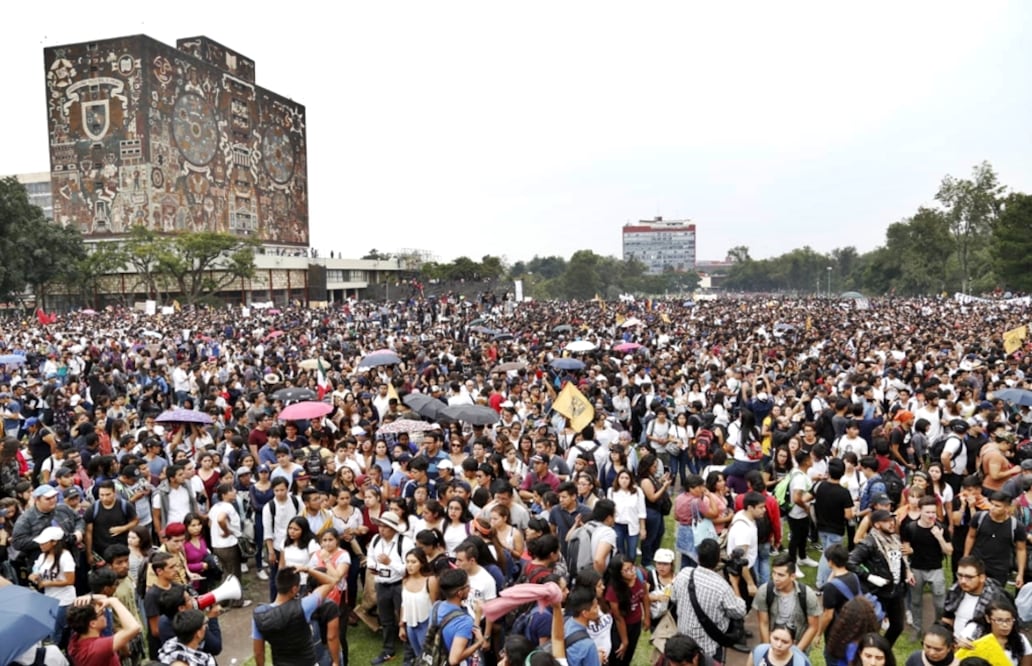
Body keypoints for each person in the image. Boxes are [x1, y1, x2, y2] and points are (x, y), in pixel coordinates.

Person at [671, 538, 747, 662]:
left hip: (683, 646)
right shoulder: (722, 587)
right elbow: (739, 611)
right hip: (708, 650)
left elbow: (673, 598)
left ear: (698, 557)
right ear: (718, 559)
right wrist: (735, 584)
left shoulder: (684, 574)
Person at [847, 509, 914, 646]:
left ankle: (883, 650)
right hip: (877, 593)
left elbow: (900, 559)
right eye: (886, 521)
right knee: (872, 628)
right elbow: (850, 562)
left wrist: (907, 571)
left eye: (892, 520)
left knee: (897, 626)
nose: (891, 524)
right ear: (877, 525)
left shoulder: (895, 539)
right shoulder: (869, 543)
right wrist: (869, 576)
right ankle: (868, 653)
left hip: (895, 591)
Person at [252, 565, 335, 666]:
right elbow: (331, 582)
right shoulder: (304, 606)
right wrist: (308, 570)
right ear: (294, 589)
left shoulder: (260, 615)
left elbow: (258, 653)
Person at [368, 511, 416, 664]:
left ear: (394, 529)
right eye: (380, 526)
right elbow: (370, 557)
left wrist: (390, 563)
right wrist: (373, 566)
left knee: (406, 618)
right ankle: (388, 650)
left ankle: (410, 652)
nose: (381, 529)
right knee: (386, 619)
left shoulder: (405, 542)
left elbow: (408, 569)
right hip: (381, 583)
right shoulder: (376, 539)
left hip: (400, 585)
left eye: (385, 527)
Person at [901, 495, 951, 637]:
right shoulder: (910, 528)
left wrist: (940, 538)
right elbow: (905, 550)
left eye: (933, 512)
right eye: (928, 512)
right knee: (916, 601)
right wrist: (908, 571)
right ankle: (917, 629)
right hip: (917, 568)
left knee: (940, 602)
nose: (931, 515)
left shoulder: (941, 528)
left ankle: (938, 627)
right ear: (920, 511)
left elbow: (949, 550)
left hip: (936, 568)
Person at [753, 553, 820, 653]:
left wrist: (796, 652)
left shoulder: (807, 595)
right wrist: (768, 650)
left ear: (792, 576)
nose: (775, 578)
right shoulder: (764, 591)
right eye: (774, 573)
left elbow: (813, 626)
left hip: (797, 645)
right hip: (772, 644)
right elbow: (764, 623)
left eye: (781, 575)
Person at [963, 490, 1026, 587]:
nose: (992, 508)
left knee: (994, 598)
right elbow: (971, 536)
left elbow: (1021, 549)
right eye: (991, 504)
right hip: (977, 564)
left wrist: (1020, 574)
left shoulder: (1016, 526)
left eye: (997, 506)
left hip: (999, 569)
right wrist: (966, 558)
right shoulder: (979, 517)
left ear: (1007, 508)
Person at [28, 526, 77, 649]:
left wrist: (48, 583)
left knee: (58, 632)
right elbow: (36, 570)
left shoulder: (66, 557)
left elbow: (70, 580)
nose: (41, 545)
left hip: (64, 600)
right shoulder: (42, 556)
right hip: (49, 598)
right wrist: (33, 576)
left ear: (54, 542)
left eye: (44, 542)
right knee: (50, 629)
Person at [66, 594, 142, 666]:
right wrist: (114, 601)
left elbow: (104, 598)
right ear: (93, 624)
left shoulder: (76, 639)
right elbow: (134, 627)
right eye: (102, 613)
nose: (105, 614)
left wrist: (91, 597)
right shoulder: (96, 648)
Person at [942, 556, 1007, 639]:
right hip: (956, 645)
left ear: (982, 578)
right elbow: (948, 619)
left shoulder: (997, 598)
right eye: (960, 575)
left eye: (969, 577)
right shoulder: (955, 592)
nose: (963, 581)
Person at [814, 458, 854, 588]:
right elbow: (849, 515)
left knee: (825, 553)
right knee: (829, 557)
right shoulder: (844, 493)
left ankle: (824, 581)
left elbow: (805, 498)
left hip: (821, 527)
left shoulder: (820, 486)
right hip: (836, 529)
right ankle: (822, 583)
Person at [957, 597, 1031, 666]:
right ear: (988, 619)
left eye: (1008, 620)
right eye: (999, 620)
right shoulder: (974, 631)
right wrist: (959, 644)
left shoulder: (1020, 639)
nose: (1005, 625)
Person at [605, 554, 648, 666]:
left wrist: (647, 616)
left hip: (636, 623)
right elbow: (619, 618)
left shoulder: (638, 577)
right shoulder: (613, 590)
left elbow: (644, 596)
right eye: (626, 570)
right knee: (619, 656)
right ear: (619, 574)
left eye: (632, 567)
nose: (632, 571)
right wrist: (624, 641)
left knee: (629, 654)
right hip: (621, 627)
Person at [746, 623, 811, 666]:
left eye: (785, 642)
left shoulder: (800, 663)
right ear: (770, 635)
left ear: (793, 643)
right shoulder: (758, 652)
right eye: (775, 639)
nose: (778, 645)